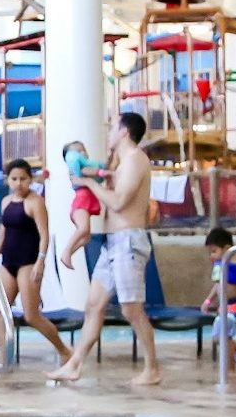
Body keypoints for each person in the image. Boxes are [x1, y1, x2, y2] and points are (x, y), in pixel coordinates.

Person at [49, 112, 159, 387]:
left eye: (112, 127)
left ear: (124, 131)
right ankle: (74, 365)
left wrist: (88, 184)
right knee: (93, 304)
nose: (109, 132)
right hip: (113, 243)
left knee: (131, 310)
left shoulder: (135, 160)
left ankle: (152, 368)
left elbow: (120, 203)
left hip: (129, 241)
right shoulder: (122, 164)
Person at [0, 159, 72, 364]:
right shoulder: (6, 202)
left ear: (30, 179)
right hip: (7, 262)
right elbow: (3, 234)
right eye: (14, 179)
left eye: (23, 179)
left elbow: (44, 234)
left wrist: (41, 261)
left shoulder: (35, 202)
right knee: (0, 312)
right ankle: (5, 360)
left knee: (31, 316)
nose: (19, 183)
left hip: (28, 263)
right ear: (7, 180)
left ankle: (64, 350)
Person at [201, 227, 236, 367]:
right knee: (219, 336)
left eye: (214, 251)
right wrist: (208, 300)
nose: (211, 256)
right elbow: (218, 285)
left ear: (227, 248)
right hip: (224, 307)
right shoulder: (220, 265)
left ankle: (231, 370)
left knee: (222, 335)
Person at [57, 140, 107, 270]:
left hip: (85, 201)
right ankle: (66, 252)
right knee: (83, 229)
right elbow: (88, 171)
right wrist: (101, 172)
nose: (83, 152)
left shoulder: (82, 168)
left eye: (83, 149)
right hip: (81, 201)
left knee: (86, 237)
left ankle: (68, 253)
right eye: (78, 151)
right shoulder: (78, 168)